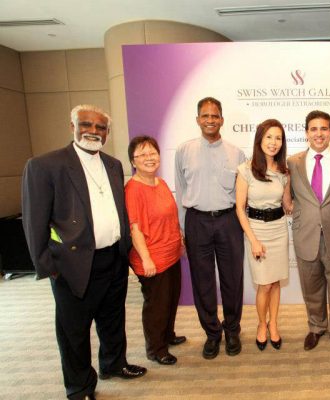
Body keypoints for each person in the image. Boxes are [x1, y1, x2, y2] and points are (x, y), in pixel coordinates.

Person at [21, 105, 146, 400]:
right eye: (86, 124)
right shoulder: (45, 165)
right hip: (73, 264)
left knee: (112, 319)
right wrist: (48, 266)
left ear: (107, 133)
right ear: (73, 126)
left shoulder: (113, 164)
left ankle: (113, 364)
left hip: (113, 258)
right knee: (74, 330)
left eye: (100, 127)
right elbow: (34, 221)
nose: (93, 131)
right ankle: (79, 387)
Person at [174, 97, 246, 359]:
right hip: (197, 221)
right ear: (197, 120)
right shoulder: (184, 151)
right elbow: (180, 189)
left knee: (232, 279)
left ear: (222, 120)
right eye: (205, 116)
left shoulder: (237, 153)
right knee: (202, 282)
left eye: (215, 116)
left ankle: (232, 330)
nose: (210, 120)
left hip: (229, 221)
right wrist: (182, 229)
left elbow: (242, 194)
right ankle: (212, 333)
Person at [287, 110, 330, 357]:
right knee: (311, 286)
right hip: (305, 235)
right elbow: (286, 195)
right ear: (306, 132)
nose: (319, 134)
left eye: (324, 129)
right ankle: (316, 327)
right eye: (314, 129)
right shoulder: (293, 163)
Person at [125, 136, 186, 366]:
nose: (149, 158)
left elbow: (170, 217)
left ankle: (167, 335)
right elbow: (135, 228)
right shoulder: (133, 189)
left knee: (170, 299)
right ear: (133, 161)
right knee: (157, 305)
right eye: (142, 155)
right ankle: (156, 349)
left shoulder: (160, 183)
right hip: (152, 257)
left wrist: (179, 241)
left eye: (152, 153)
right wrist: (146, 259)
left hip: (171, 252)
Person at [235, 119, 291, 351]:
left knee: (275, 282)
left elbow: (288, 204)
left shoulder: (284, 171)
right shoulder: (246, 170)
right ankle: (261, 324)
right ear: (259, 139)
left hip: (279, 230)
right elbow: (240, 208)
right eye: (269, 137)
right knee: (264, 285)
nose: (273, 142)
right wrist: (253, 240)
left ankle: (273, 324)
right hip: (256, 231)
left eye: (278, 138)